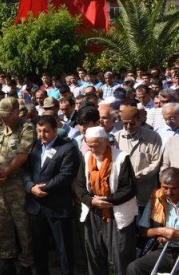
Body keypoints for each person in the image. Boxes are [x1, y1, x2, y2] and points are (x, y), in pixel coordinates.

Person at [22, 115, 80, 275]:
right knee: (39, 248)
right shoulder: (35, 146)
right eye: (39, 131)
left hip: (57, 206)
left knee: (64, 249)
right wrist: (30, 187)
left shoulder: (67, 148)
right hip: (36, 206)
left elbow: (66, 174)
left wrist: (44, 188)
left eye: (46, 131)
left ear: (55, 130)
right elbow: (26, 170)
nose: (42, 135)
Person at [77, 126, 138, 275]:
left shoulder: (121, 157)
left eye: (95, 144)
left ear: (105, 142)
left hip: (116, 212)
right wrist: (91, 201)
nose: (92, 149)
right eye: (89, 145)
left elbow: (129, 188)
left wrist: (108, 200)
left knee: (121, 256)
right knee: (94, 254)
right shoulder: (87, 157)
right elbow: (79, 186)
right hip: (93, 212)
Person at [0, 97, 35, 275]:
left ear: (16, 112)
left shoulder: (26, 128)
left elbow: (22, 156)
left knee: (23, 225)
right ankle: (7, 260)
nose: (4, 118)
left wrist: (5, 172)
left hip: (16, 185)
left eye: (7, 115)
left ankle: (26, 264)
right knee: (0, 224)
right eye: (2, 115)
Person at [127, 167, 179, 275]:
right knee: (134, 268)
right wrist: (161, 231)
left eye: (174, 188)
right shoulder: (156, 197)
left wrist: (175, 234)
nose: (169, 192)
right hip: (166, 250)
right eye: (165, 187)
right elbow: (144, 231)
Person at [114, 106, 162, 210]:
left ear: (140, 120)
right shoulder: (116, 137)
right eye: (124, 123)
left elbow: (156, 162)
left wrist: (137, 177)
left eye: (132, 123)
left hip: (145, 191)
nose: (128, 127)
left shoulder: (153, 137)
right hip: (123, 191)